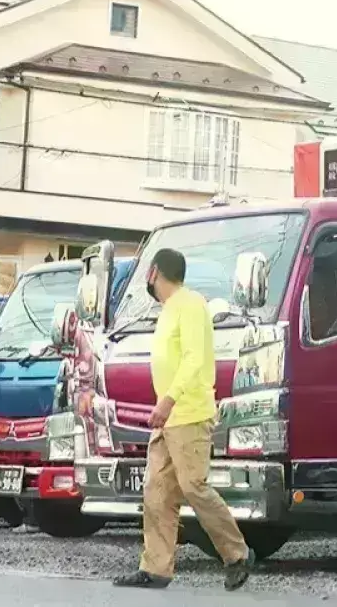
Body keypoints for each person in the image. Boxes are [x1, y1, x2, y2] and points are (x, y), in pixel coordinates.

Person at [113, 249, 251, 591]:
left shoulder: (189, 304)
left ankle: (237, 554)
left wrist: (169, 400)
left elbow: (193, 359)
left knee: (194, 487)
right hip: (169, 418)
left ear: (155, 272)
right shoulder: (168, 310)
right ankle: (156, 568)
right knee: (157, 492)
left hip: (188, 414)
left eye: (149, 272)